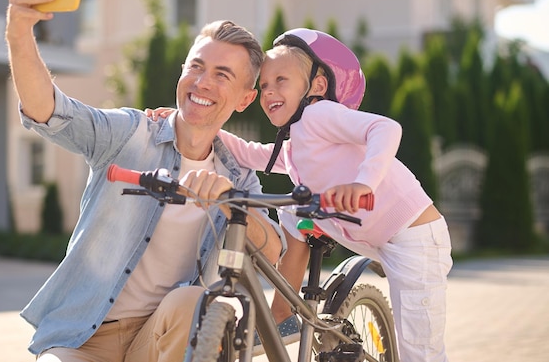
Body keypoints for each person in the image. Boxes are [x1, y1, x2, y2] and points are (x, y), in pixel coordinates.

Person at [6, 0, 285, 361]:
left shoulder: (238, 174)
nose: (202, 82)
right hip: (84, 337)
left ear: (244, 99)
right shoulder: (129, 134)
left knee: (193, 300)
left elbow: (273, 250)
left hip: (160, 339)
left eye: (222, 75)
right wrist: (19, 32)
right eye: (196, 66)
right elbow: (48, 109)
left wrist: (232, 202)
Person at [149, 28, 453, 361]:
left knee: (419, 350)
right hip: (372, 234)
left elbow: (385, 128)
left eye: (281, 80)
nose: (269, 91)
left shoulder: (319, 114)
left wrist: (364, 183)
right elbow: (250, 153)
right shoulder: (296, 145)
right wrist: (191, 120)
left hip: (414, 238)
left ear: (317, 87)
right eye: (263, 85)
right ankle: (284, 313)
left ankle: (283, 316)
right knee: (295, 209)